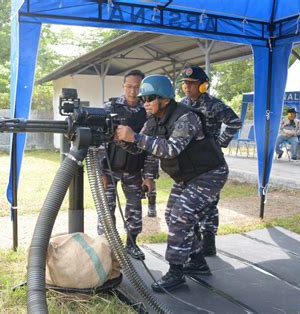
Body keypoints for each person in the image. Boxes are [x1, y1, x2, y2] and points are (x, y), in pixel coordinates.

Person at [115, 75, 228, 292]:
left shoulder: (186, 118)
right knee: (171, 216)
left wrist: (135, 137)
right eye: (143, 99)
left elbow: (170, 149)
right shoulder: (153, 120)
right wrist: (120, 139)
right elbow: (140, 148)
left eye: (148, 98)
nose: (144, 103)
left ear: (164, 98)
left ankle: (176, 271)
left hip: (209, 174)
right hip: (188, 176)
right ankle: (196, 260)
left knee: (180, 216)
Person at [179, 66, 242, 256]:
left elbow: (235, 122)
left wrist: (220, 143)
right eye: (185, 84)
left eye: (192, 84)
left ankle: (209, 241)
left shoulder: (215, 104)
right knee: (191, 201)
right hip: (190, 162)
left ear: (203, 86)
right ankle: (195, 238)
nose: (188, 88)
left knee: (210, 202)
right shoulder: (182, 104)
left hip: (210, 161)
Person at [97, 69, 158, 261]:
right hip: (110, 168)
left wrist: (149, 176)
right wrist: (100, 171)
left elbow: (152, 147)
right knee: (106, 208)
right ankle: (107, 247)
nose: (132, 91)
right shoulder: (110, 107)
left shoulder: (149, 111)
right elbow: (99, 141)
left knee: (134, 209)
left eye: (137, 87)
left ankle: (132, 244)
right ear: (123, 86)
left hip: (134, 169)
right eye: (129, 86)